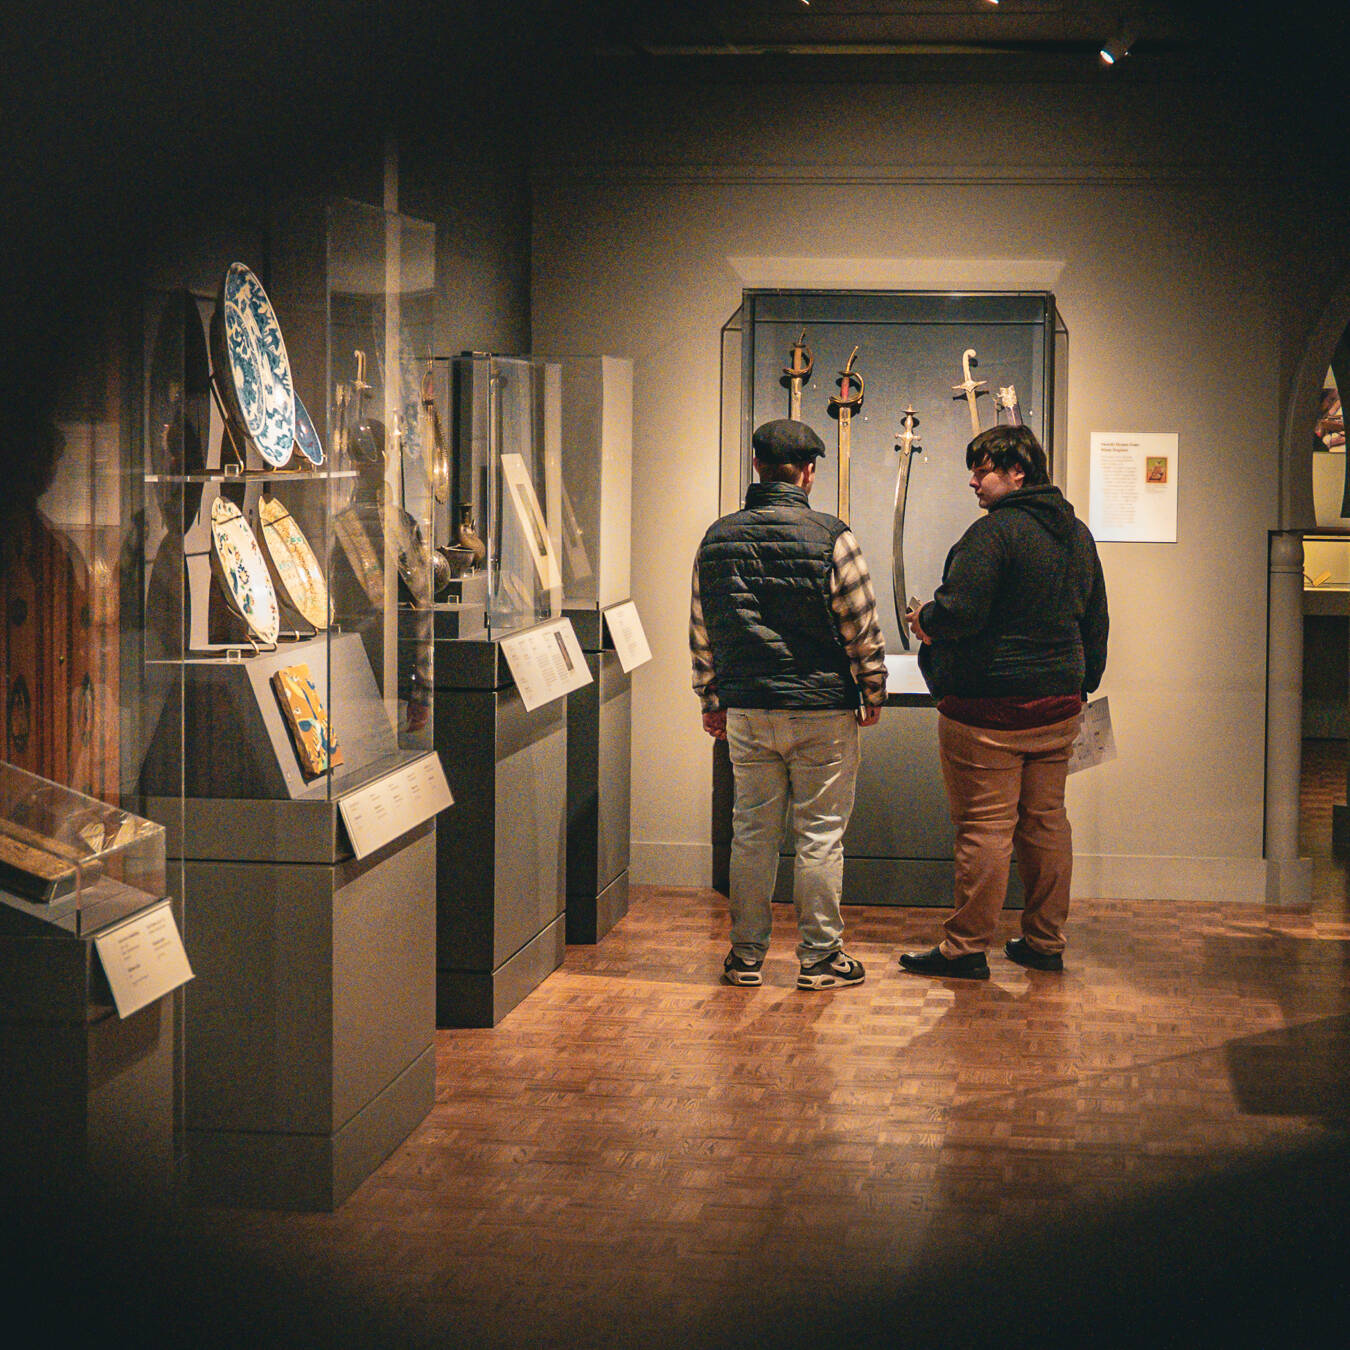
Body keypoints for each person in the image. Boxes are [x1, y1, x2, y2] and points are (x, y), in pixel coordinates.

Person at [902, 424, 1107, 980]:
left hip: (987, 712)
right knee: (1046, 824)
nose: (973, 479)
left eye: (983, 468)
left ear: (1018, 471)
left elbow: (960, 611)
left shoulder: (993, 535)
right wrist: (1079, 685)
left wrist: (926, 621)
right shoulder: (1077, 533)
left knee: (984, 830)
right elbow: (1095, 619)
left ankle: (965, 948)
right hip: (1058, 705)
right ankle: (1044, 941)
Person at [691, 417, 887, 990]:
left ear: (755, 466)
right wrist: (871, 687)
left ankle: (746, 957)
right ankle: (820, 959)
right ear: (808, 471)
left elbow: (704, 627)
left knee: (751, 833)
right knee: (820, 836)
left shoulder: (717, 537)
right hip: (823, 709)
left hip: (749, 708)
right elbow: (861, 622)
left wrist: (711, 697)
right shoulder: (833, 535)